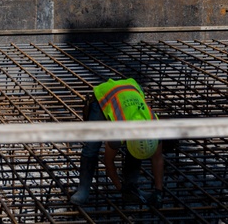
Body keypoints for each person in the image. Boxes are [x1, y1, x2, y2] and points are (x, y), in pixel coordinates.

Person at [70, 78, 167, 208]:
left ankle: (131, 186)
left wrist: (158, 191)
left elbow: (158, 159)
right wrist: (120, 189)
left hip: (132, 87)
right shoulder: (119, 131)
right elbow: (108, 161)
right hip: (105, 95)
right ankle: (83, 190)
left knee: (135, 153)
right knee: (92, 147)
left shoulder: (154, 127)